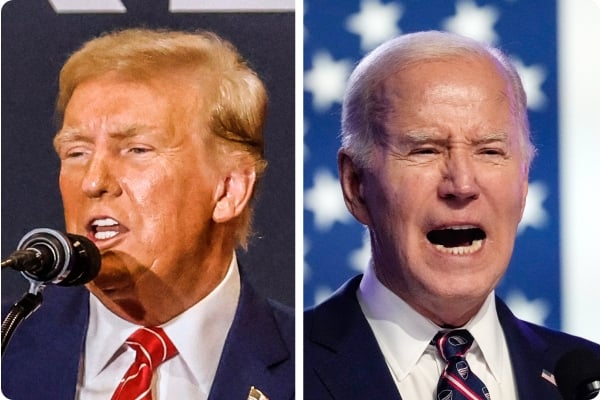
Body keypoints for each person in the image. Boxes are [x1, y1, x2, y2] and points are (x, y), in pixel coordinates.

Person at [304, 30, 600, 399]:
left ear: (523, 183)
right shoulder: (285, 372)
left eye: (490, 152)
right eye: (424, 150)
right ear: (355, 184)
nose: (461, 185)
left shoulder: (587, 379)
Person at [2, 28, 294, 400]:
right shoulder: (8, 345)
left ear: (228, 190)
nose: (93, 182)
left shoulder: (307, 369)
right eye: (76, 152)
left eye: (136, 150)